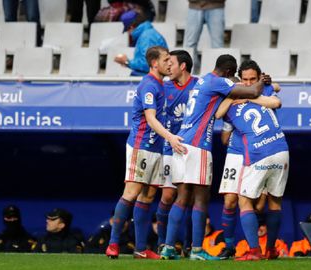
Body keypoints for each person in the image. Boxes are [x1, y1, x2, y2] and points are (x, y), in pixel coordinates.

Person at [160, 54, 268, 260]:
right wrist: (263, 79)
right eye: (233, 75)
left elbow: (232, 89)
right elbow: (254, 90)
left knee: (181, 198)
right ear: (228, 72)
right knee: (201, 198)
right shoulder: (219, 82)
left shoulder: (204, 80)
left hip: (181, 142)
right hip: (197, 146)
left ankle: (168, 248)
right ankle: (198, 251)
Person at [105, 46, 184, 260]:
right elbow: (150, 118)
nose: (170, 63)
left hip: (156, 148)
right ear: (154, 63)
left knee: (148, 195)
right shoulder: (149, 85)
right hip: (141, 146)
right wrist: (170, 137)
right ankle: (113, 244)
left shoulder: (161, 84)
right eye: (166, 60)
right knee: (131, 192)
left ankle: (140, 248)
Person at [215, 68, 289, 261]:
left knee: (245, 201)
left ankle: (254, 251)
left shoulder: (253, 93)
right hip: (279, 148)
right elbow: (277, 99)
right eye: (244, 81)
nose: (247, 84)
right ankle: (263, 249)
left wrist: (245, 97)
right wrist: (237, 96)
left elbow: (276, 91)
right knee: (269, 201)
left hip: (257, 151)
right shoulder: (252, 94)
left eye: (252, 80)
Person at [155, 50, 198, 253]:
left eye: (171, 63)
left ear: (183, 66)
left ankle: (189, 245)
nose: (168, 67)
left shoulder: (199, 85)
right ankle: (163, 242)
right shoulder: (164, 87)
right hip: (170, 147)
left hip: (192, 148)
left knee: (189, 197)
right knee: (168, 196)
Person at [115, 9, 168, 76]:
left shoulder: (147, 36)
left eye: (127, 30)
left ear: (131, 27)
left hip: (148, 79)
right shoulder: (147, 34)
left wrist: (127, 62)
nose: (129, 33)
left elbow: (147, 64)